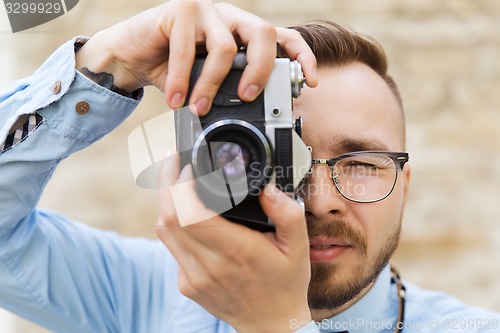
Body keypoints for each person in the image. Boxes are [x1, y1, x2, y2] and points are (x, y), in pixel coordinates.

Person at [0, 1, 498, 332]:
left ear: (403, 186)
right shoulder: (146, 292)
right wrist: (108, 60)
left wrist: (277, 324)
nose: (321, 201)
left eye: (362, 164)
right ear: (214, 162)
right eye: (284, 158)